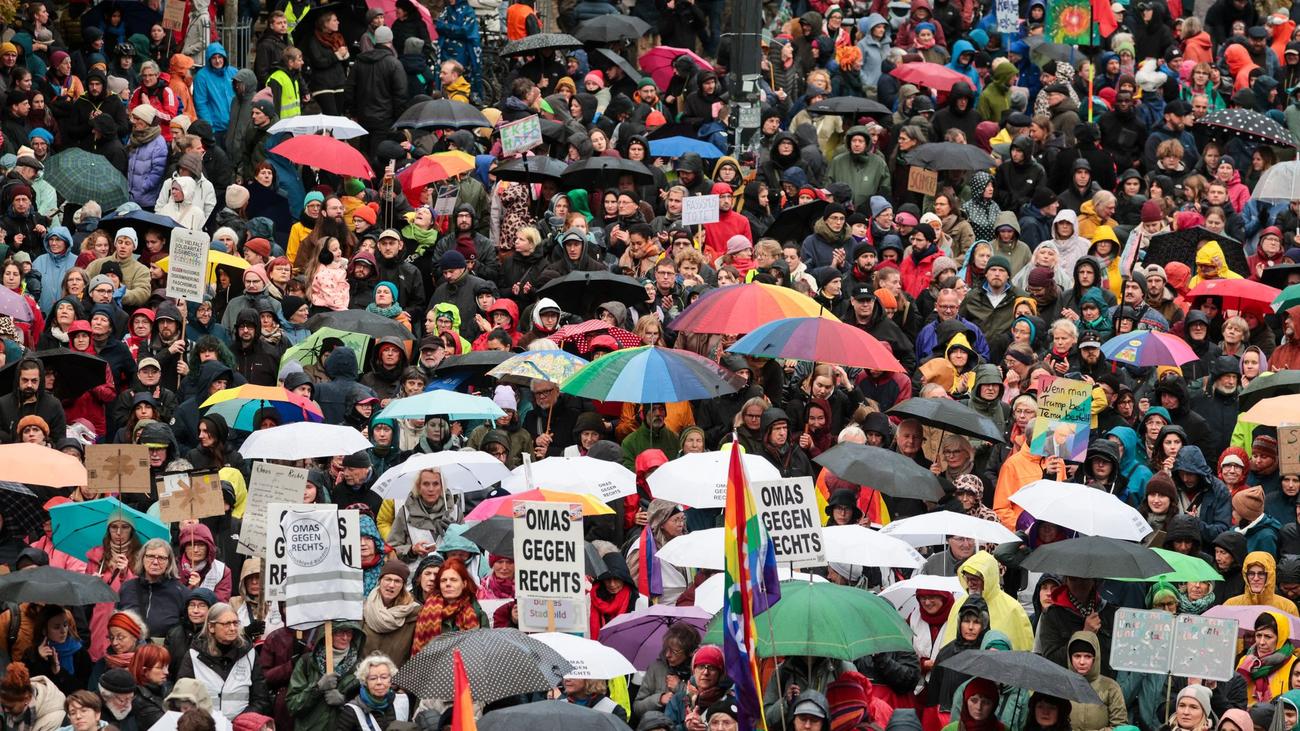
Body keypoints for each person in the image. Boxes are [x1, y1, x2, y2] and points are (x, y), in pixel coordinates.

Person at [177, 603, 270, 721]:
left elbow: (261, 699)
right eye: (226, 624)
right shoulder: (193, 655)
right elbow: (183, 699)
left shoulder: (249, 654)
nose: (232, 628)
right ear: (211, 627)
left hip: (241, 727)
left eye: (235, 623)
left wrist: (240, 722)